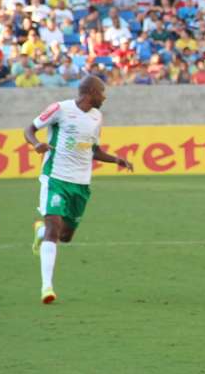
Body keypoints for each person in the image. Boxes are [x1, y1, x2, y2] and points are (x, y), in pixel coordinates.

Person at [24, 76, 134, 304]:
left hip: (81, 183)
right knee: (54, 228)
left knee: (65, 236)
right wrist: (36, 145)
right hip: (55, 178)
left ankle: (40, 233)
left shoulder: (96, 117)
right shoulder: (60, 109)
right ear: (91, 92)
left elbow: (94, 150)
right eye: (102, 92)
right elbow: (30, 129)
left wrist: (116, 160)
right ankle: (47, 287)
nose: (104, 96)